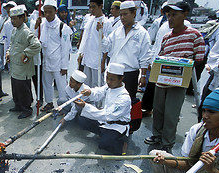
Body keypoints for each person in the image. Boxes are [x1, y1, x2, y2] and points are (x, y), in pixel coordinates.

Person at [144, 1, 205, 153]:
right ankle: (157, 135)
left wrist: (181, 64)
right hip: (161, 81)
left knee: (171, 114)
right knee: (158, 111)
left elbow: (199, 59)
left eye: (174, 15)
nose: (170, 18)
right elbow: (161, 55)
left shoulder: (194, 35)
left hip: (177, 83)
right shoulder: (166, 37)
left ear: (185, 14)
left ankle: (167, 142)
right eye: (168, 15)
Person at [75, 63, 131, 155]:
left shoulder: (124, 97)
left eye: (112, 79)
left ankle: (122, 144)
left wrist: (86, 106)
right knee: (82, 120)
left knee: (103, 144)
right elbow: (99, 91)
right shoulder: (109, 87)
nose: (108, 81)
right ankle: (104, 134)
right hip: (104, 122)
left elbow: (107, 115)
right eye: (107, 78)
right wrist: (90, 92)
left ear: (121, 79)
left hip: (116, 125)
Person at [102, 1, 150, 102]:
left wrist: (143, 76)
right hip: (114, 72)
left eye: (125, 14)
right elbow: (107, 47)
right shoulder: (117, 32)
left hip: (130, 73)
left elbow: (144, 56)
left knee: (127, 101)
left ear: (133, 13)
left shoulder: (142, 33)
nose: (122, 17)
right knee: (111, 100)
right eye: (121, 15)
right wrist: (101, 35)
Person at [36, 0, 72, 112]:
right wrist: (36, 26)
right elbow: (36, 41)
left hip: (58, 63)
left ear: (55, 11)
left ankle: (63, 106)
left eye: (50, 12)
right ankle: (49, 103)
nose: (47, 15)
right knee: (47, 84)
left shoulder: (63, 27)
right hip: (46, 60)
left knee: (61, 86)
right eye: (45, 12)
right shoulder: (42, 25)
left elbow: (66, 49)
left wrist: (64, 66)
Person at [6, 5, 41, 119]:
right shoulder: (15, 30)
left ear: (22, 18)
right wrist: (8, 53)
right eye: (12, 18)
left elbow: (37, 45)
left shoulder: (26, 31)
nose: (13, 21)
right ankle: (18, 105)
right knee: (15, 87)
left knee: (23, 89)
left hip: (23, 67)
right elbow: (11, 44)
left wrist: (26, 53)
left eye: (15, 18)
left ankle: (27, 109)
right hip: (14, 66)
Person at [77, 0, 110, 88]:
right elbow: (85, 39)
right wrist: (81, 54)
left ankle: (98, 102)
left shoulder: (106, 22)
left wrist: (103, 63)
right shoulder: (90, 20)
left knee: (97, 86)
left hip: (97, 61)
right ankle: (87, 102)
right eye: (90, 7)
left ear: (101, 6)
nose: (91, 10)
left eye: (94, 7)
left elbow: (107, 46)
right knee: (86, 85)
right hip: (87, 59)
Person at [2, 1, 18, 70]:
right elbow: (6, 40)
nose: (10, 13)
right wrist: (6, 53)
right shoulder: (6, 24)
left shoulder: (22, 22)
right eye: (8, 11)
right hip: (11, 53)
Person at [0, 3, 9, 71]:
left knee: (8, 55)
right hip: (1, 40)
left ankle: (8, 67)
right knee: (0, 55)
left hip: (7, 40)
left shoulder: (10, 18)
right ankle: (1, 67)